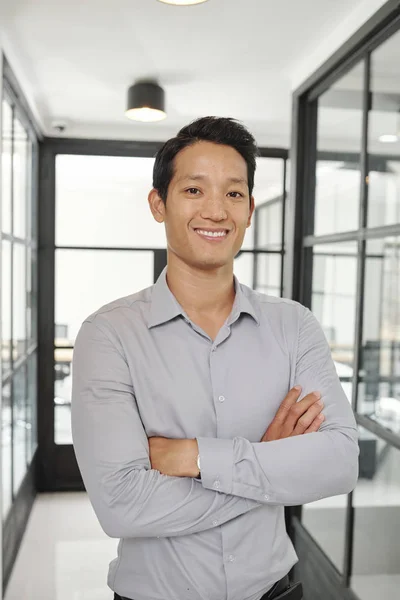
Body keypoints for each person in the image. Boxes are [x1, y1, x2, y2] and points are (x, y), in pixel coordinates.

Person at [71, 116, 359, 600]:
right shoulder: (108, 335)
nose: (216, 211)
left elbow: (339, 462)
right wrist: (269, 463)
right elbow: (121, 506)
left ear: (249, 210)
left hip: (277, 591)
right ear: (158, 204)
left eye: (233, 193)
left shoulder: (293, 326)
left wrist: (195, 457)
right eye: (193, 190)